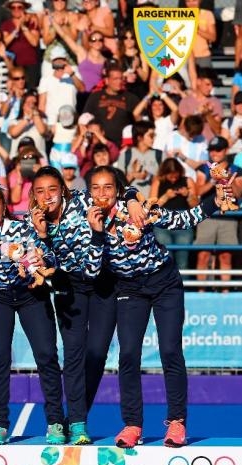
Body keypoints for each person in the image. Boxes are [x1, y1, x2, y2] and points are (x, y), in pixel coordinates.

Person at [88, 165, 226, 448]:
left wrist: (214, 201)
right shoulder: (88, 220)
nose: (102, 194)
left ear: (117, 190)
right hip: (129, 289)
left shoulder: (139, 210)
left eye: (108, 188)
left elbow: (183, 219)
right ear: (90, 192)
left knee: (170, 350)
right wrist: (96, 234)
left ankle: (177, 422)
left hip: (165, 284)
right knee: (127, 355)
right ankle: (132, 424)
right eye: (96, 188)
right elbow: (90, 269)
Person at [0, 175, 65, 445]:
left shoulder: (21, 229)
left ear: (3, 206)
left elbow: (48, 257)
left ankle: (56, 420)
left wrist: (39, 255)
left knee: (46, 354)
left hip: (30, 294)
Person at [29, 166, 119, 444]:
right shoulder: (33, 223)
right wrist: (43, 237)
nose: (47, 196)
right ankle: (78, 422)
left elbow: (116, 191)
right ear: (33, 195)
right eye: (40, 191)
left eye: (52, 189)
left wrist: (132, 196)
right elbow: (49, 266)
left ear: (63, 191)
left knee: (97, 354)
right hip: (69, 287)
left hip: (103, 283)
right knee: (74, 354)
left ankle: (76, 417)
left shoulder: (83, 200)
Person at [193, 136, 242, 284]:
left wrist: (226, 177)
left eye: (218, 150)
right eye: (212, 150)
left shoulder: (236, 170)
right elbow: (198, 192)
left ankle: (225, 295)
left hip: (228, 216)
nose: (214, 153)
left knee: (225, 256)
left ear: (226, 150)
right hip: (207, 216)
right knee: (203, 255)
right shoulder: (203, 169)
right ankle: (200, 294)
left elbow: (239, 194)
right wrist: (213, 180)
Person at [149, 157, 198, 271]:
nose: (173, 179)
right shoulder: (157, 181)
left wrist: (188, 195)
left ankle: (184, 287)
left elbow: (196, 207)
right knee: (165, 261)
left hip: (183, 223)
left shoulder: (188, 180)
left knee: (182, 260)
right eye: (170, 176)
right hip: (162, 223)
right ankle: (167, 288)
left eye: (176, 175)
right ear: (164, 173)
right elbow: (151, 208)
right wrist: (165, 197)